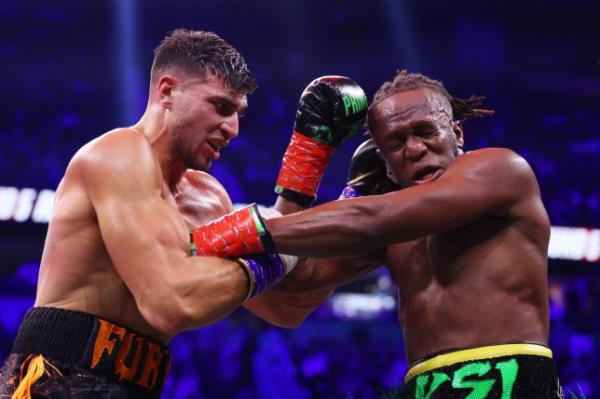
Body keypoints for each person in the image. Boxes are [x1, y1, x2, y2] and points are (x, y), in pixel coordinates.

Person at [0, 28, 368, 398]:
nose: (233, 129)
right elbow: (170, 302)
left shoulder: (207, 198)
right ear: (167, 91)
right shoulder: (117, 154)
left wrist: (344, 194)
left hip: (136, 386)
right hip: (56, 378)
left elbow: (285, 305)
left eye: (239, 114)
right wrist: (276, 240)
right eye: (221, 107)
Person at [193, 70, 563, 398]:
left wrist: (233, 232)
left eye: (424, 131)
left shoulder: (500, 170)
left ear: (456, 132)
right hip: (424, 385)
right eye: (397, 143)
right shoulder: (392, 227)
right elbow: (296, 286)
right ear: (383, 161)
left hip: (515, 383)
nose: (415, 150)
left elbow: (373, 218)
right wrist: (308, 159)